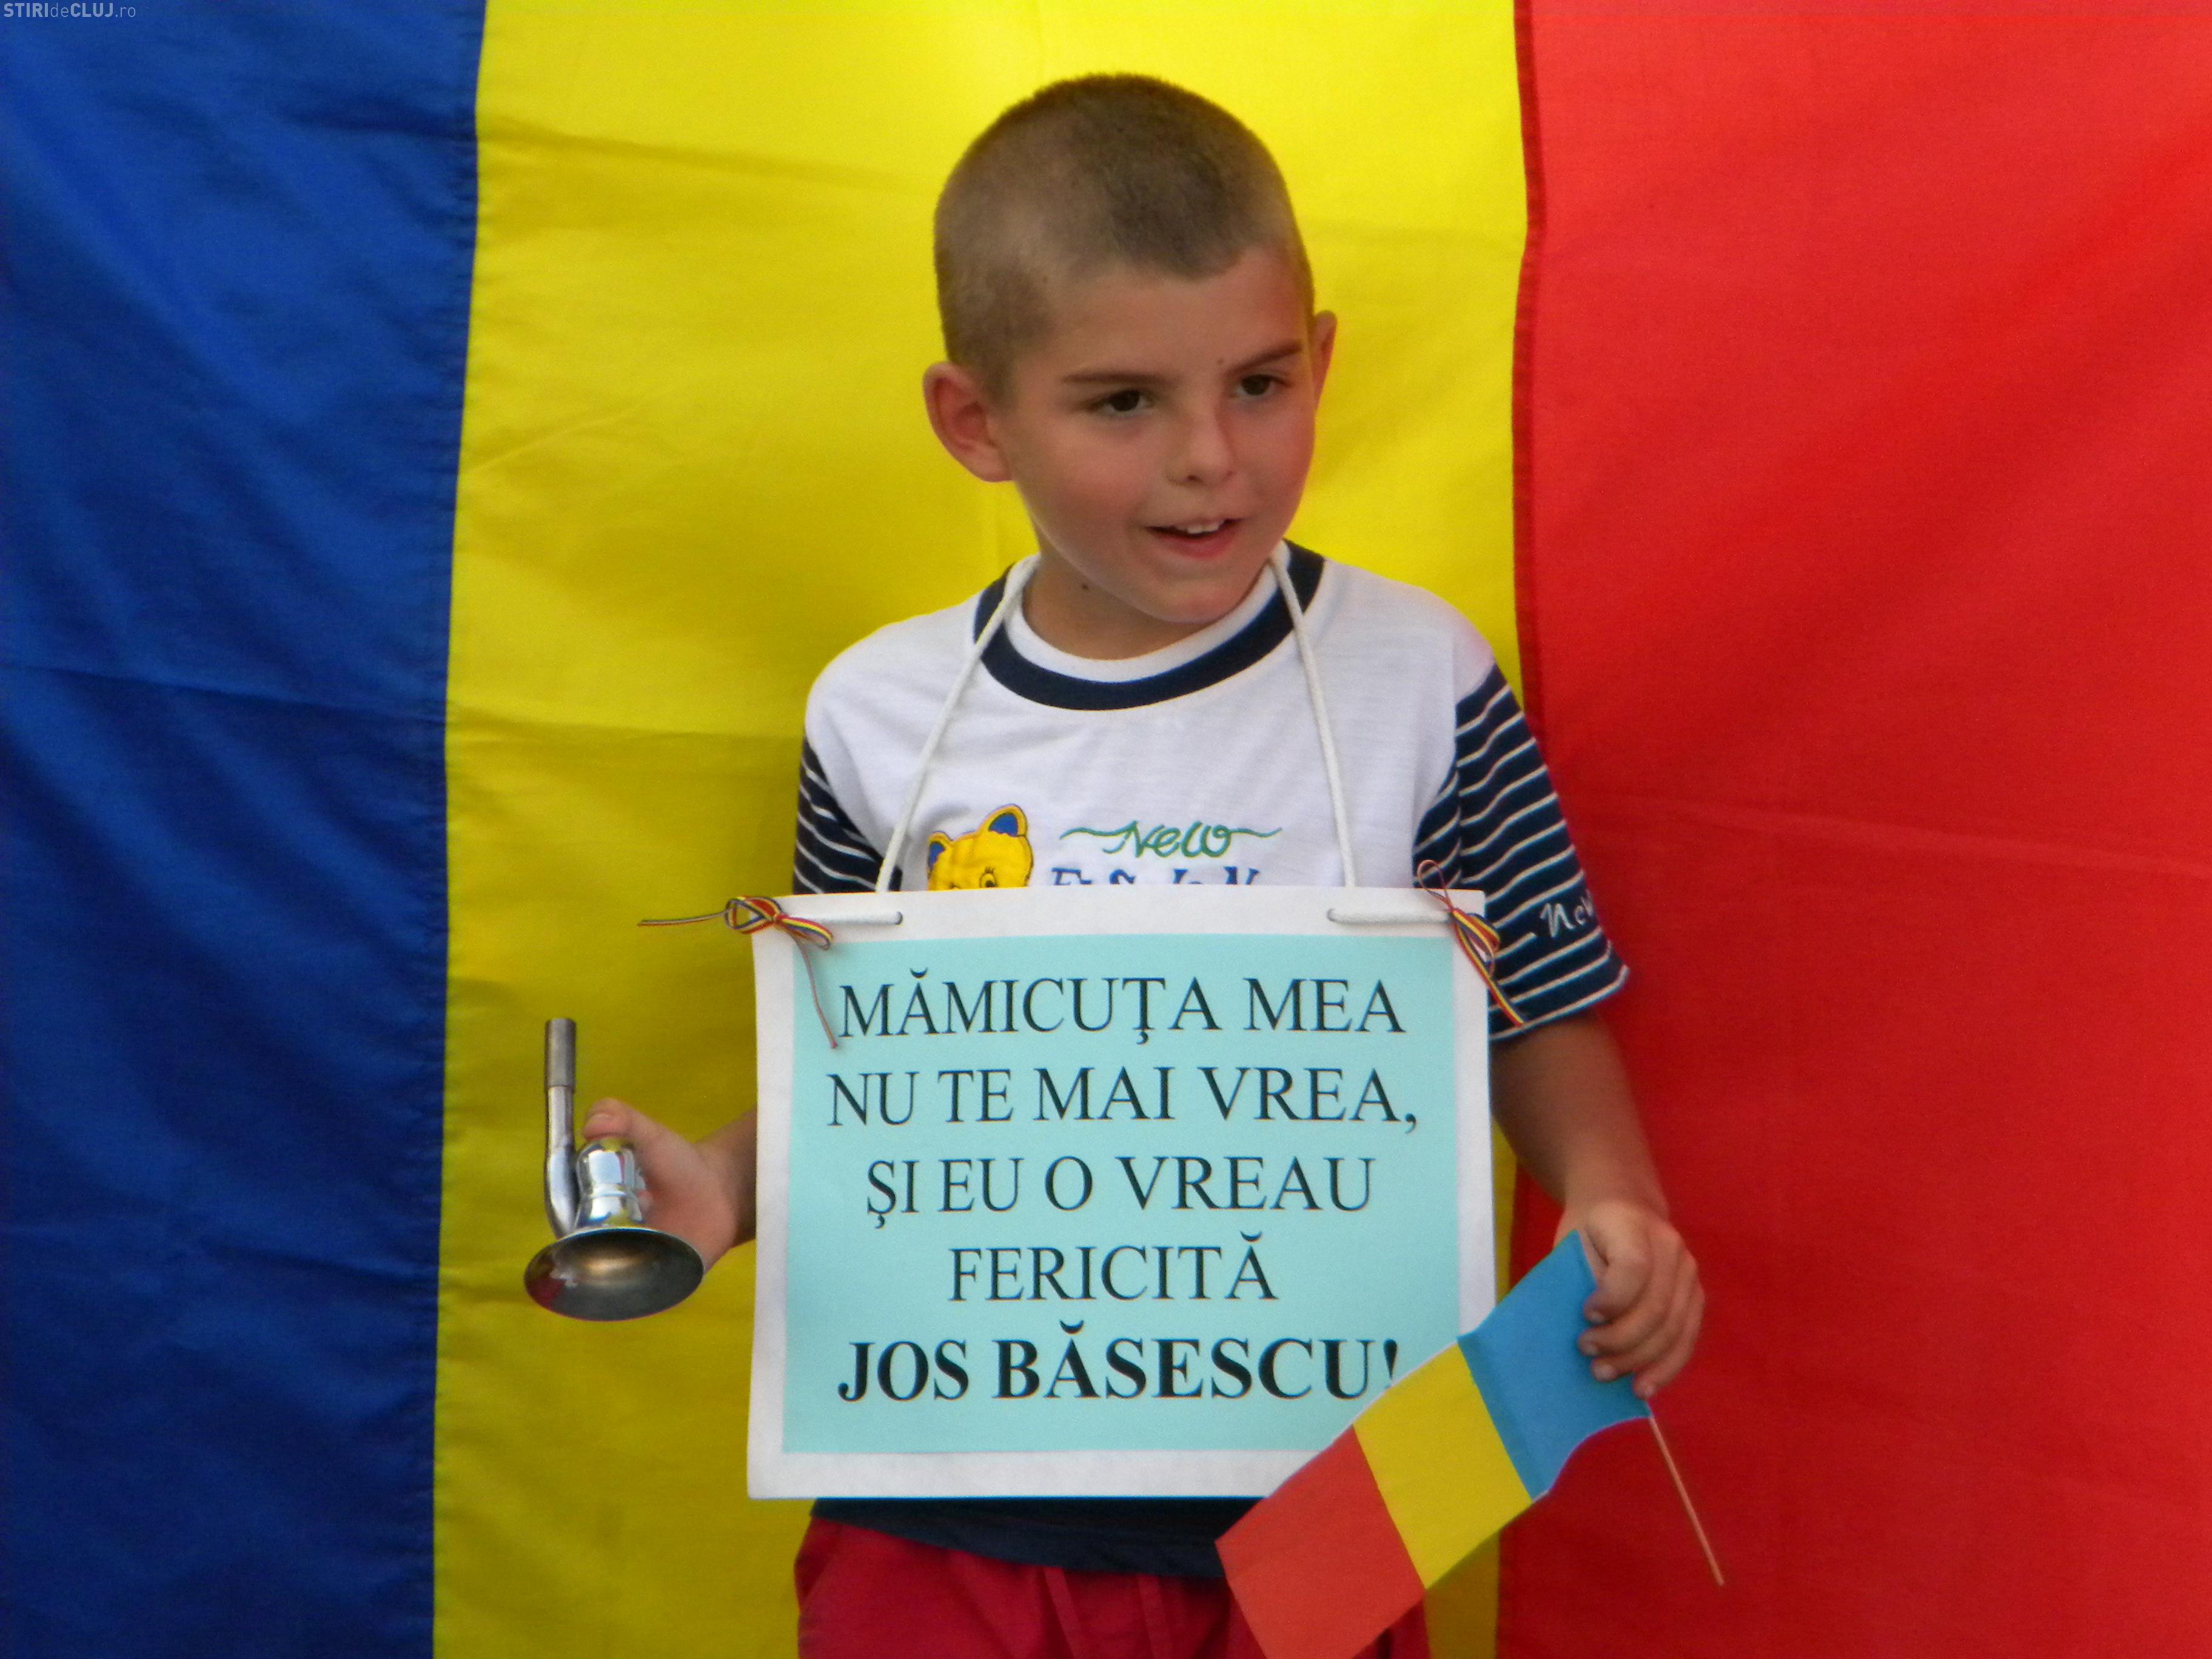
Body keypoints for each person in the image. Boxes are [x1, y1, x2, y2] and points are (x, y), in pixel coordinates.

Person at [586, 74, 1702, 1659]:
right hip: (943, 1518)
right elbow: (887, 1092)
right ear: (977, 422)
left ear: (1322, 357)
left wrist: (1613, 1190)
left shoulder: (1420, 678)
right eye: (1124, 403)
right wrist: (731, 1185)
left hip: (1325, 1510)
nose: (1211, 458)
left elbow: (1534, 1004)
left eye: (1260, 384)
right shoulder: (873, 717)